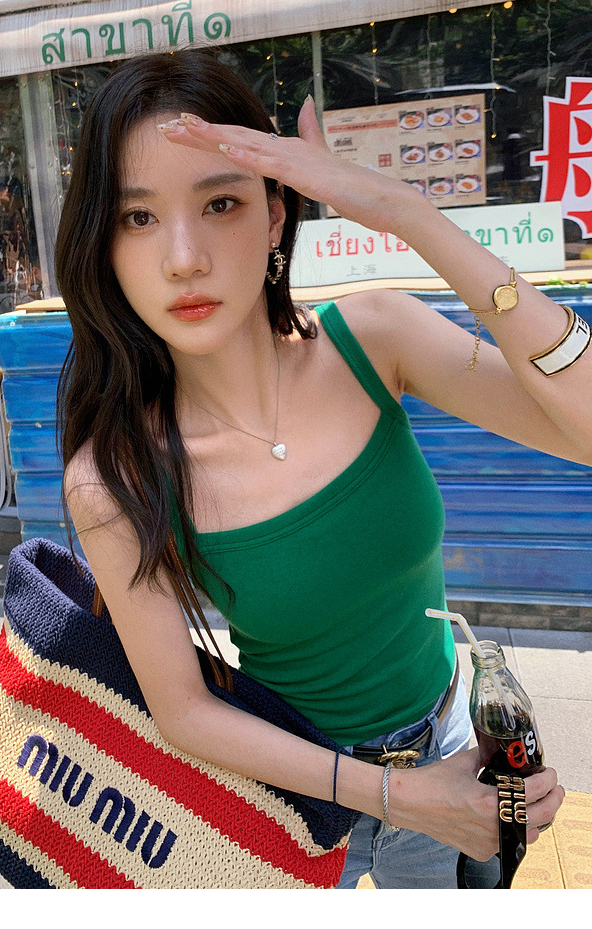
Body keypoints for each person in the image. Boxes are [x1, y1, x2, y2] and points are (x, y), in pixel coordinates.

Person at [55, 50, 577, 889]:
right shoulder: (116, 475)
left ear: (275, 216)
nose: (183, 257)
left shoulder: (374, 341)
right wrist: (400, 797)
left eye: (220, 203)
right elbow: (182, 710)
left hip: (456, 756)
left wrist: (410, 215)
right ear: (103, 247)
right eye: (138, 217)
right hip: (291, 804)